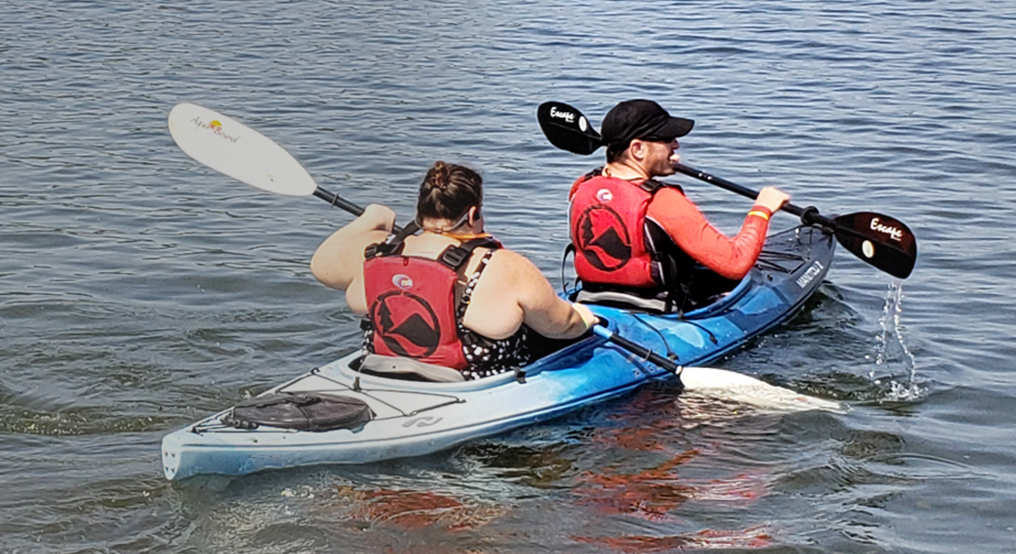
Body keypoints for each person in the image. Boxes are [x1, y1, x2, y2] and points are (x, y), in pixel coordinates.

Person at [311, 161, 598, 381]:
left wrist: (373, 217)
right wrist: (585, 318)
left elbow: (321, 266)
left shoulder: (378, 252)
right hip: (466, 385)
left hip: (380, 372)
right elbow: (562, 326)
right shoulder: (505, 266)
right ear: (473, 214)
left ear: (420, 212)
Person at [567, 99, 792, 311]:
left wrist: (661, 160)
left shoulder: (581, 187)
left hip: (592, 299)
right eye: (667, 139)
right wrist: (762, 210)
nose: (676, 144)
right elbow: (735, 264)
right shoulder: (663, 202)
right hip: (659, 309)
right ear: (637, 149)